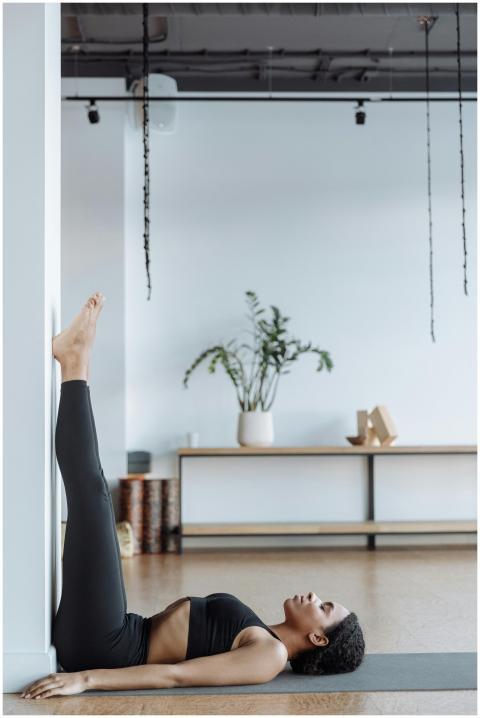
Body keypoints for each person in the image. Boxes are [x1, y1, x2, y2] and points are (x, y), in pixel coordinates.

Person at [21, 292, 365, 699]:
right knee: (92, 494)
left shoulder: (269, 656)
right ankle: (75, 361)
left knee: (93, 492)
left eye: (324, 608)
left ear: (318, 639)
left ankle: (76, 361)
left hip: (107, 647)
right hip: (116, 631)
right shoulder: (262, 633)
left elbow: (176, 677)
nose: (314, 597)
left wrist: (87, 679)